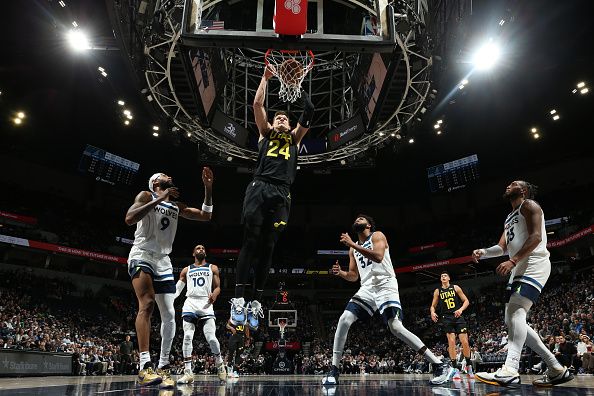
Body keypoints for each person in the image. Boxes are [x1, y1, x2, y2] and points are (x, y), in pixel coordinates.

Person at [321, 214, 454, 386]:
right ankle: (334, 370)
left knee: (395, 327)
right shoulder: (352, 250)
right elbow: (354, 276)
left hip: (385, 284)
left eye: (361, 219)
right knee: (344, 319)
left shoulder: (377, 236)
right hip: (367, 287)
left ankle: (438, 364)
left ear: (369, 224)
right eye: (355, 219)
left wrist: (353, 244)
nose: (357, 220)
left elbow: (378, 256)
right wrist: (341, 273)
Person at [230, 64, 315, 331]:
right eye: (276, 118)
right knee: (251, 240)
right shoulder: (264, 134)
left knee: (268, 246)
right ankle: (239, 299)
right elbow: (257, 105)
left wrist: (297, 86)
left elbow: (309, 111)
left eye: (284, 119)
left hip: (282, 193)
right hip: (260, 187)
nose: (280, 120)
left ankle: (256, 301)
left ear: (290, 125)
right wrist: (265, 79)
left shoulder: (294, 138)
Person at [471, 180, 574, 387]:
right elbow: (502, 248)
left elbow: (536, 237)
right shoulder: (509, 216)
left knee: (517, 311)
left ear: (524, 190)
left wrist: (513, 260)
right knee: (513, 320)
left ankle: (510, 369)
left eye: (514, 184)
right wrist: (483, 253)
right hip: (519, 267)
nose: (508, 185)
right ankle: (555, 368)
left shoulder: (529, 205)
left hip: (534, 263)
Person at [124, 167, 214, 387]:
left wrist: (208, 188)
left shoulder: (174, 205)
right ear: (155, 182)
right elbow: (129, 218)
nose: (169, 175)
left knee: (170, 314)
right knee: (146, 304)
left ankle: (163, 366)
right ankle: (145, 366)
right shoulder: (146, 195)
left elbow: (205, 216)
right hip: (142, 253)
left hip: (164, 260)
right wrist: (159, 198)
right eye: (164, 175)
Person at [174, 244, 227, 384]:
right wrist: (168, 299)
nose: (201, 249)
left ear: (205, 253)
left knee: (211, 338)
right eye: (198, 248)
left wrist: (215, 294)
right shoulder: (186, 270)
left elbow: (218, 288)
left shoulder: (212, 268)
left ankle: (220, 363)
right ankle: (188, 372)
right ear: (193, 253)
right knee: (187, 337)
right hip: (190, 302)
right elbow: (177, 290)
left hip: (206, 303)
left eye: (203, 248)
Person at [430, 270, 473, 378]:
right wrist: (432, 312)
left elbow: (466, 301)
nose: (443, 277)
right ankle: (455, 368)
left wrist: (461, 310)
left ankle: (469, 365)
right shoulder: (437, 291)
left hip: (458, 316)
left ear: (449, 278)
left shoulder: (455, 287)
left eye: (445, 275)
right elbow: (433, 306)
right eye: (442, 276)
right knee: (452, 343)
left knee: (465, 342)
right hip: (446, 318)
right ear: (441, 279)